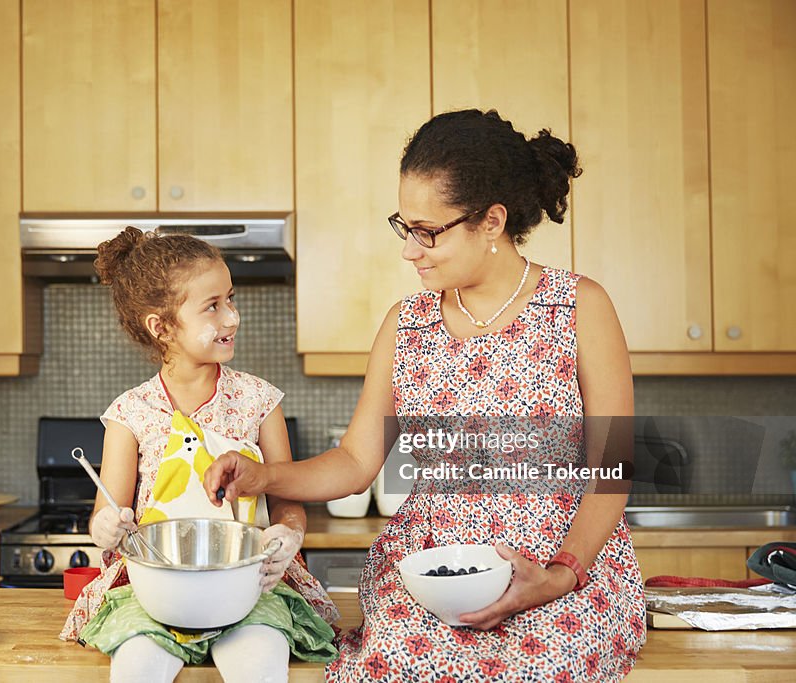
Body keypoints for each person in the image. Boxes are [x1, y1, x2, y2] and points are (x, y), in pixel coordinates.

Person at [204, 109, 647, 681]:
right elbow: (356, 462)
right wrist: (263, 477)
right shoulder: (405, 324)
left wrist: (561, 574)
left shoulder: (580, 306)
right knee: (399, 664)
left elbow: (612, 466)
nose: (410, 251)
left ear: (491, 221)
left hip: (560, 565)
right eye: (404, 227)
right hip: (431, 571)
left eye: (428, 232)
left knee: (542, 664)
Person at [59, 228, 339, 682]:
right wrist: (106, 527)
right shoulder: (130, 414)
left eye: (231, 298)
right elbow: (103, 514)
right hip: (153, 592)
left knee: (260, 656)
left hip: (249, 586)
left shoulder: (259, 401)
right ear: (162, 326)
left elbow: (288, 500)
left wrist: (289, 535)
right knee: (138, 663)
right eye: (212, 306)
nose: (232, 318)